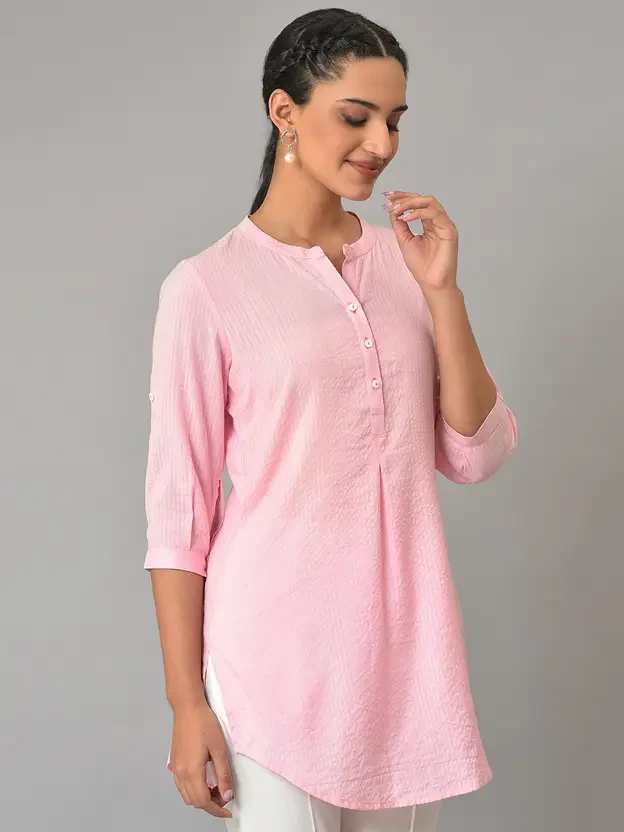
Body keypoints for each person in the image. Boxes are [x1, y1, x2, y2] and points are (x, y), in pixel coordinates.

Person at [143, 8, 518, 831]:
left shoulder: (406, 261)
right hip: (267, 661)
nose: (381, 143)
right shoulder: (207, 288)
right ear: (285, 111)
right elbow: (179, 520)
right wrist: (185, 704)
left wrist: (442, 292)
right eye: (356, 116)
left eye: (395, 120)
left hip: (400, 664)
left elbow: (476, 452)